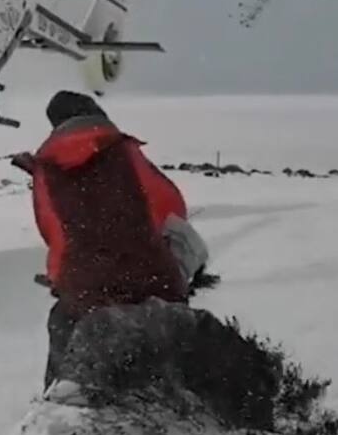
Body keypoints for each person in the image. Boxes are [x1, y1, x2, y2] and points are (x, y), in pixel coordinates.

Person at [12, 90, 210, 390]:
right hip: (153, 280)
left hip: (86, 292)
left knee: (63, 334)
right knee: (182, 350)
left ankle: (55, 407)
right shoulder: (124, 151)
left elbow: (54, 234)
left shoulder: (47, 168)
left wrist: (62, 278)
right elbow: (171, 205)